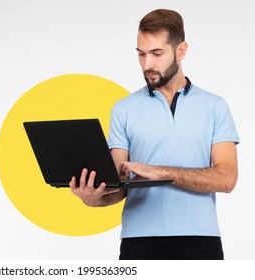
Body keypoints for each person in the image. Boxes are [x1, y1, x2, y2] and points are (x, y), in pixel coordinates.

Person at [69, 9, 239, 260]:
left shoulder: (215, 106)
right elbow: (118, 187)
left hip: (201, 240)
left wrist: (161, 172)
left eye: (157, 53)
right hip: (139, 242)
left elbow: (226, 178)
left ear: (181, 51)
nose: (147, 64)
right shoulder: (123, 109)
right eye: (141, 54)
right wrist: (92, 199)